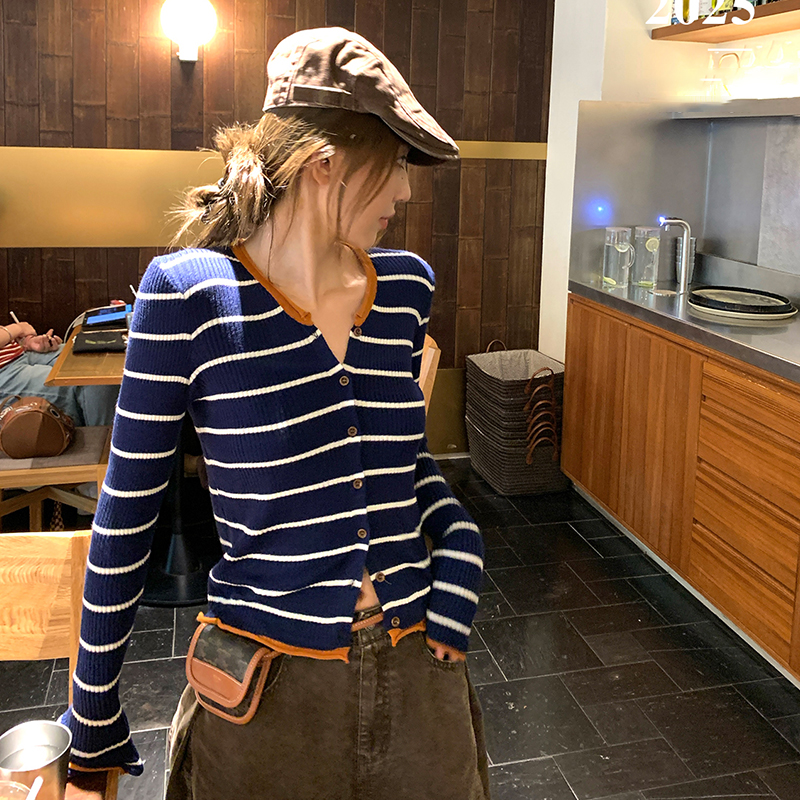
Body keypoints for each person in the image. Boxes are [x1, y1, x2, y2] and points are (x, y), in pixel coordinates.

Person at [62, 27, 489, 800]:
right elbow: (127, 509)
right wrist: (92, 707)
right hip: (267, 692)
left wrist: (459, 542)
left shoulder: (405, 289)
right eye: (395, 163)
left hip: (421, 670)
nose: (405, 192)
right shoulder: (190, 295)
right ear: (326, 163)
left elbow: (403, 462)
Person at [0, 321, 118, 427]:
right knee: (91, 379)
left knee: (99, 360)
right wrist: (18, 328)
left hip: (19, 352)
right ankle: (107, 440)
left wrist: (25, 343)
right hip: (4, 370)